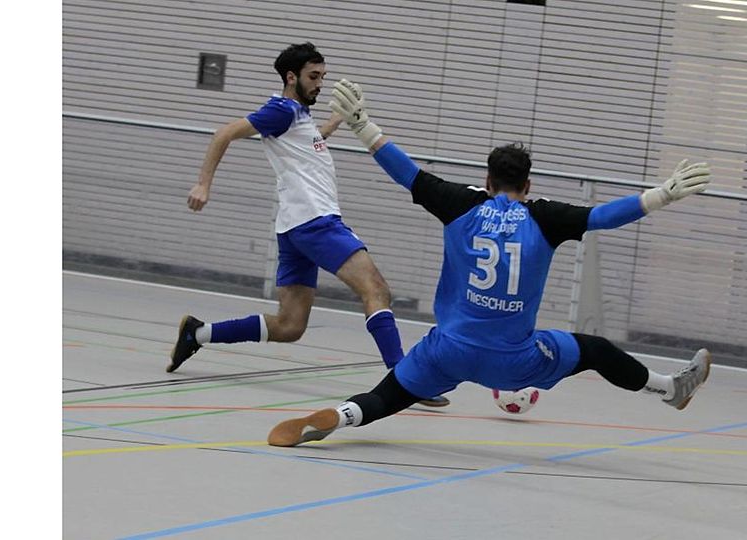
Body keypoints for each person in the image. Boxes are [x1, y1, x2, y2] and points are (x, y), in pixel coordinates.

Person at [267, 79, 713, 446]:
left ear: (487, 179)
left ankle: (346, 415)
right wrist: (661, 195)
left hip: (448, 351)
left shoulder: (460, 205)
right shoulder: (545, 217)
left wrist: (364, 125)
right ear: (528, 183)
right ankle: (671, 389)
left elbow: (409, 174)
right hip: (513, 361)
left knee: (392, 394)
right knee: (594, 351)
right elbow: (602, 218)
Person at [169, 44, 449, 407]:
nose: (320, 84)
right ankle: (404, 380)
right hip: (317, 223)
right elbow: (223, 133)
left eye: (323, 77)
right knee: (376, 290)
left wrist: (340, 119)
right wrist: (203, 183)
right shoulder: (281, 110)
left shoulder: (296, 115)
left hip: (294, 227)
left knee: (289, 326)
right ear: (291, 77)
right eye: (313, 77)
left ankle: (199, 333)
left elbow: (307, 143)